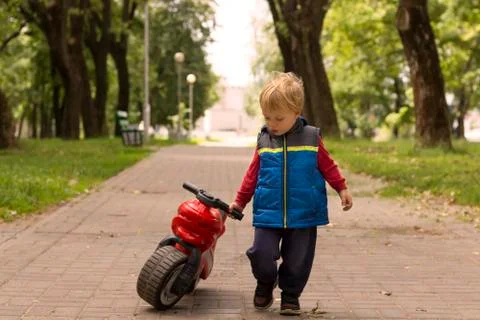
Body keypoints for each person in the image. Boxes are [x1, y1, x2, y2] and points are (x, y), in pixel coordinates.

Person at [229, 72, 353, 316]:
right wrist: (240, 202)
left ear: (297, 112)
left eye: (279, 118)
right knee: (261, 253)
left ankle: (290, 295)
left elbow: (328, 166)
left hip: (304, 213)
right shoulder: (265, 140)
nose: (272, 123)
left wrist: (341, 188)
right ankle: (265, 282)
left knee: (298, 260)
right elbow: (252, 174)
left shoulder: (311, 138)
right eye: (267, 117)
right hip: (268, 211)